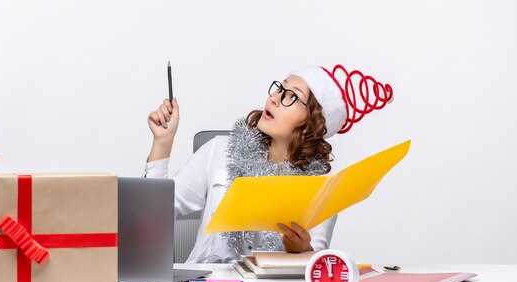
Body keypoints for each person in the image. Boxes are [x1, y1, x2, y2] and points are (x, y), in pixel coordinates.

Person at [144, 64, 393, 263]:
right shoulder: (220, 150)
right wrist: (162, 142)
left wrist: (302, 249)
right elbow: (152, 212)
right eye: (279, 89)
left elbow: (314, 270)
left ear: (312, 123)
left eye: (291, 97)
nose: (274, 99)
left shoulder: (320, 190)